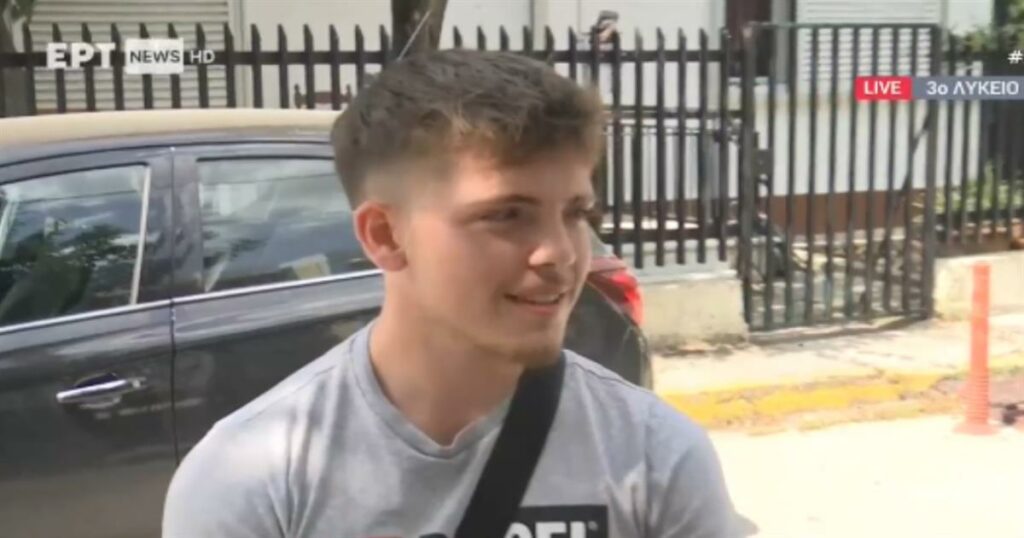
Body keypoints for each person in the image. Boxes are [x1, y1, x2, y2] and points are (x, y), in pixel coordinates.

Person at [162, 49, 737, 538]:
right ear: (385, 236)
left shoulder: (655, 455)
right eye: (507, 214)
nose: (560, 253)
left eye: (576, 213)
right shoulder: (253, 479)